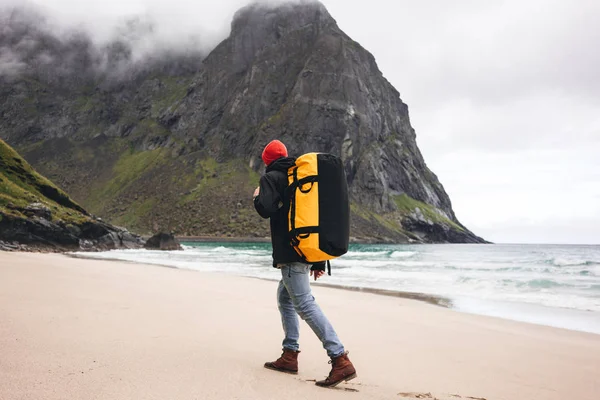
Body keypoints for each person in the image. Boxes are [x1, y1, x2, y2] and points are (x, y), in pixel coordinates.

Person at [253, 139, 357, 388]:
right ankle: (290, 355)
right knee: (285, 298)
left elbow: (265, 209)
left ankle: (340, 358)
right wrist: (318, 259)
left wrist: (257, 196)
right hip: (304, 249)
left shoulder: (272, 178)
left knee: (304, 304)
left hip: (289, 253)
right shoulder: (299, 177)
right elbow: (313, 216)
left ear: (266, 160)